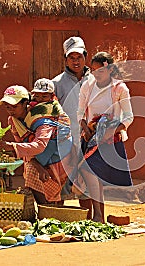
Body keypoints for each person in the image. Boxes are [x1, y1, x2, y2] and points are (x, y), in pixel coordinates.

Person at [77, 51, 134, 222]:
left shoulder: (119, 89)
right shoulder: (87, 85)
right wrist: (85, 128)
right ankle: (94, 215)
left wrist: (113, 131)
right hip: (90, 137)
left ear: (109, 70)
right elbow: (80, 112)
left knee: (94, 174)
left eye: (100, 71)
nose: (96, 74)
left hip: (110, 140)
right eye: (93, 70)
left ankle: (98, 215)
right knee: (89, 174)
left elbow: (129, 117)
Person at [0, 85, 75, 204]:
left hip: (57, 156)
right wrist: (37, 165)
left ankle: (50, 212)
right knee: (32, 173)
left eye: (15, 106)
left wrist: (11, 146)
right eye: (7, 107)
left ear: (25, 103)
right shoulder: (13, 121)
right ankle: (45, 212)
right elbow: (21, 143)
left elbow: (40, 145)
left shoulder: (42, 119)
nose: (11, 110)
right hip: (36, 157)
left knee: (58, 195)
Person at [52, 36, 93, 215]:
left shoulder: (95, 81)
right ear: (65, 59)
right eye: (71, 58)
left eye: (79, 57)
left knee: (88, 181)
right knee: (61, 182)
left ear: (85, 56)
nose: (75, 61)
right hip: (65, 141)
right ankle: (60, 220)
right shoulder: (57, 83)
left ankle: (90, 219)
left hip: (90, 140)